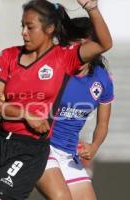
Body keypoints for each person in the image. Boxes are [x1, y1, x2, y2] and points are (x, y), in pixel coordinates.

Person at [0, 0, 112, 200]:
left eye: (30, 27)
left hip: (46, 150)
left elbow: (105, 44)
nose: (24, 32)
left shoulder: (70, 64)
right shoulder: (10, 55)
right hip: (17, 143)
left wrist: (92, 8)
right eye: (22, 26)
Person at [35, 17, 114, 200]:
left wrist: (94, 146)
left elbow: (102, 123)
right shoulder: (54, 69)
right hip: (40, 147)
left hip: (68, 153)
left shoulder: (102, 79)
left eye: (78, 41)